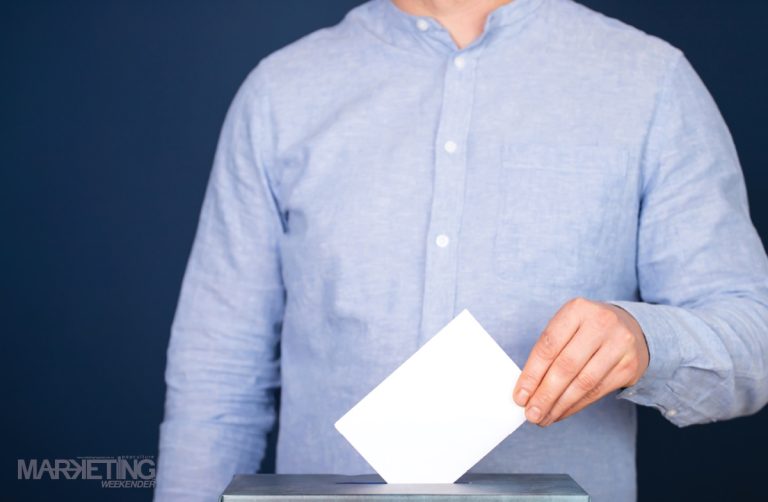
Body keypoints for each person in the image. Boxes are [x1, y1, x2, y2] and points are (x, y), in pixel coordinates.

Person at [154, 0, 768, 500]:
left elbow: (755, 336)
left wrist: (645, 340)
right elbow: (216, 379)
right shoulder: (280, 93)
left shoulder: (650, 81)